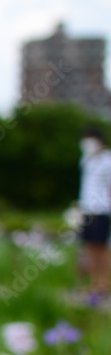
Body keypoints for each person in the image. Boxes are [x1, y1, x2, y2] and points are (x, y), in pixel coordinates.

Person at [78, 127, 111, 300]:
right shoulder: (86, 160)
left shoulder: (107, 160)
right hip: (87, 209)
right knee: (90, 248)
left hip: (102, 210)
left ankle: (104, 283)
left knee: (102, 248)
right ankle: (93, 283)